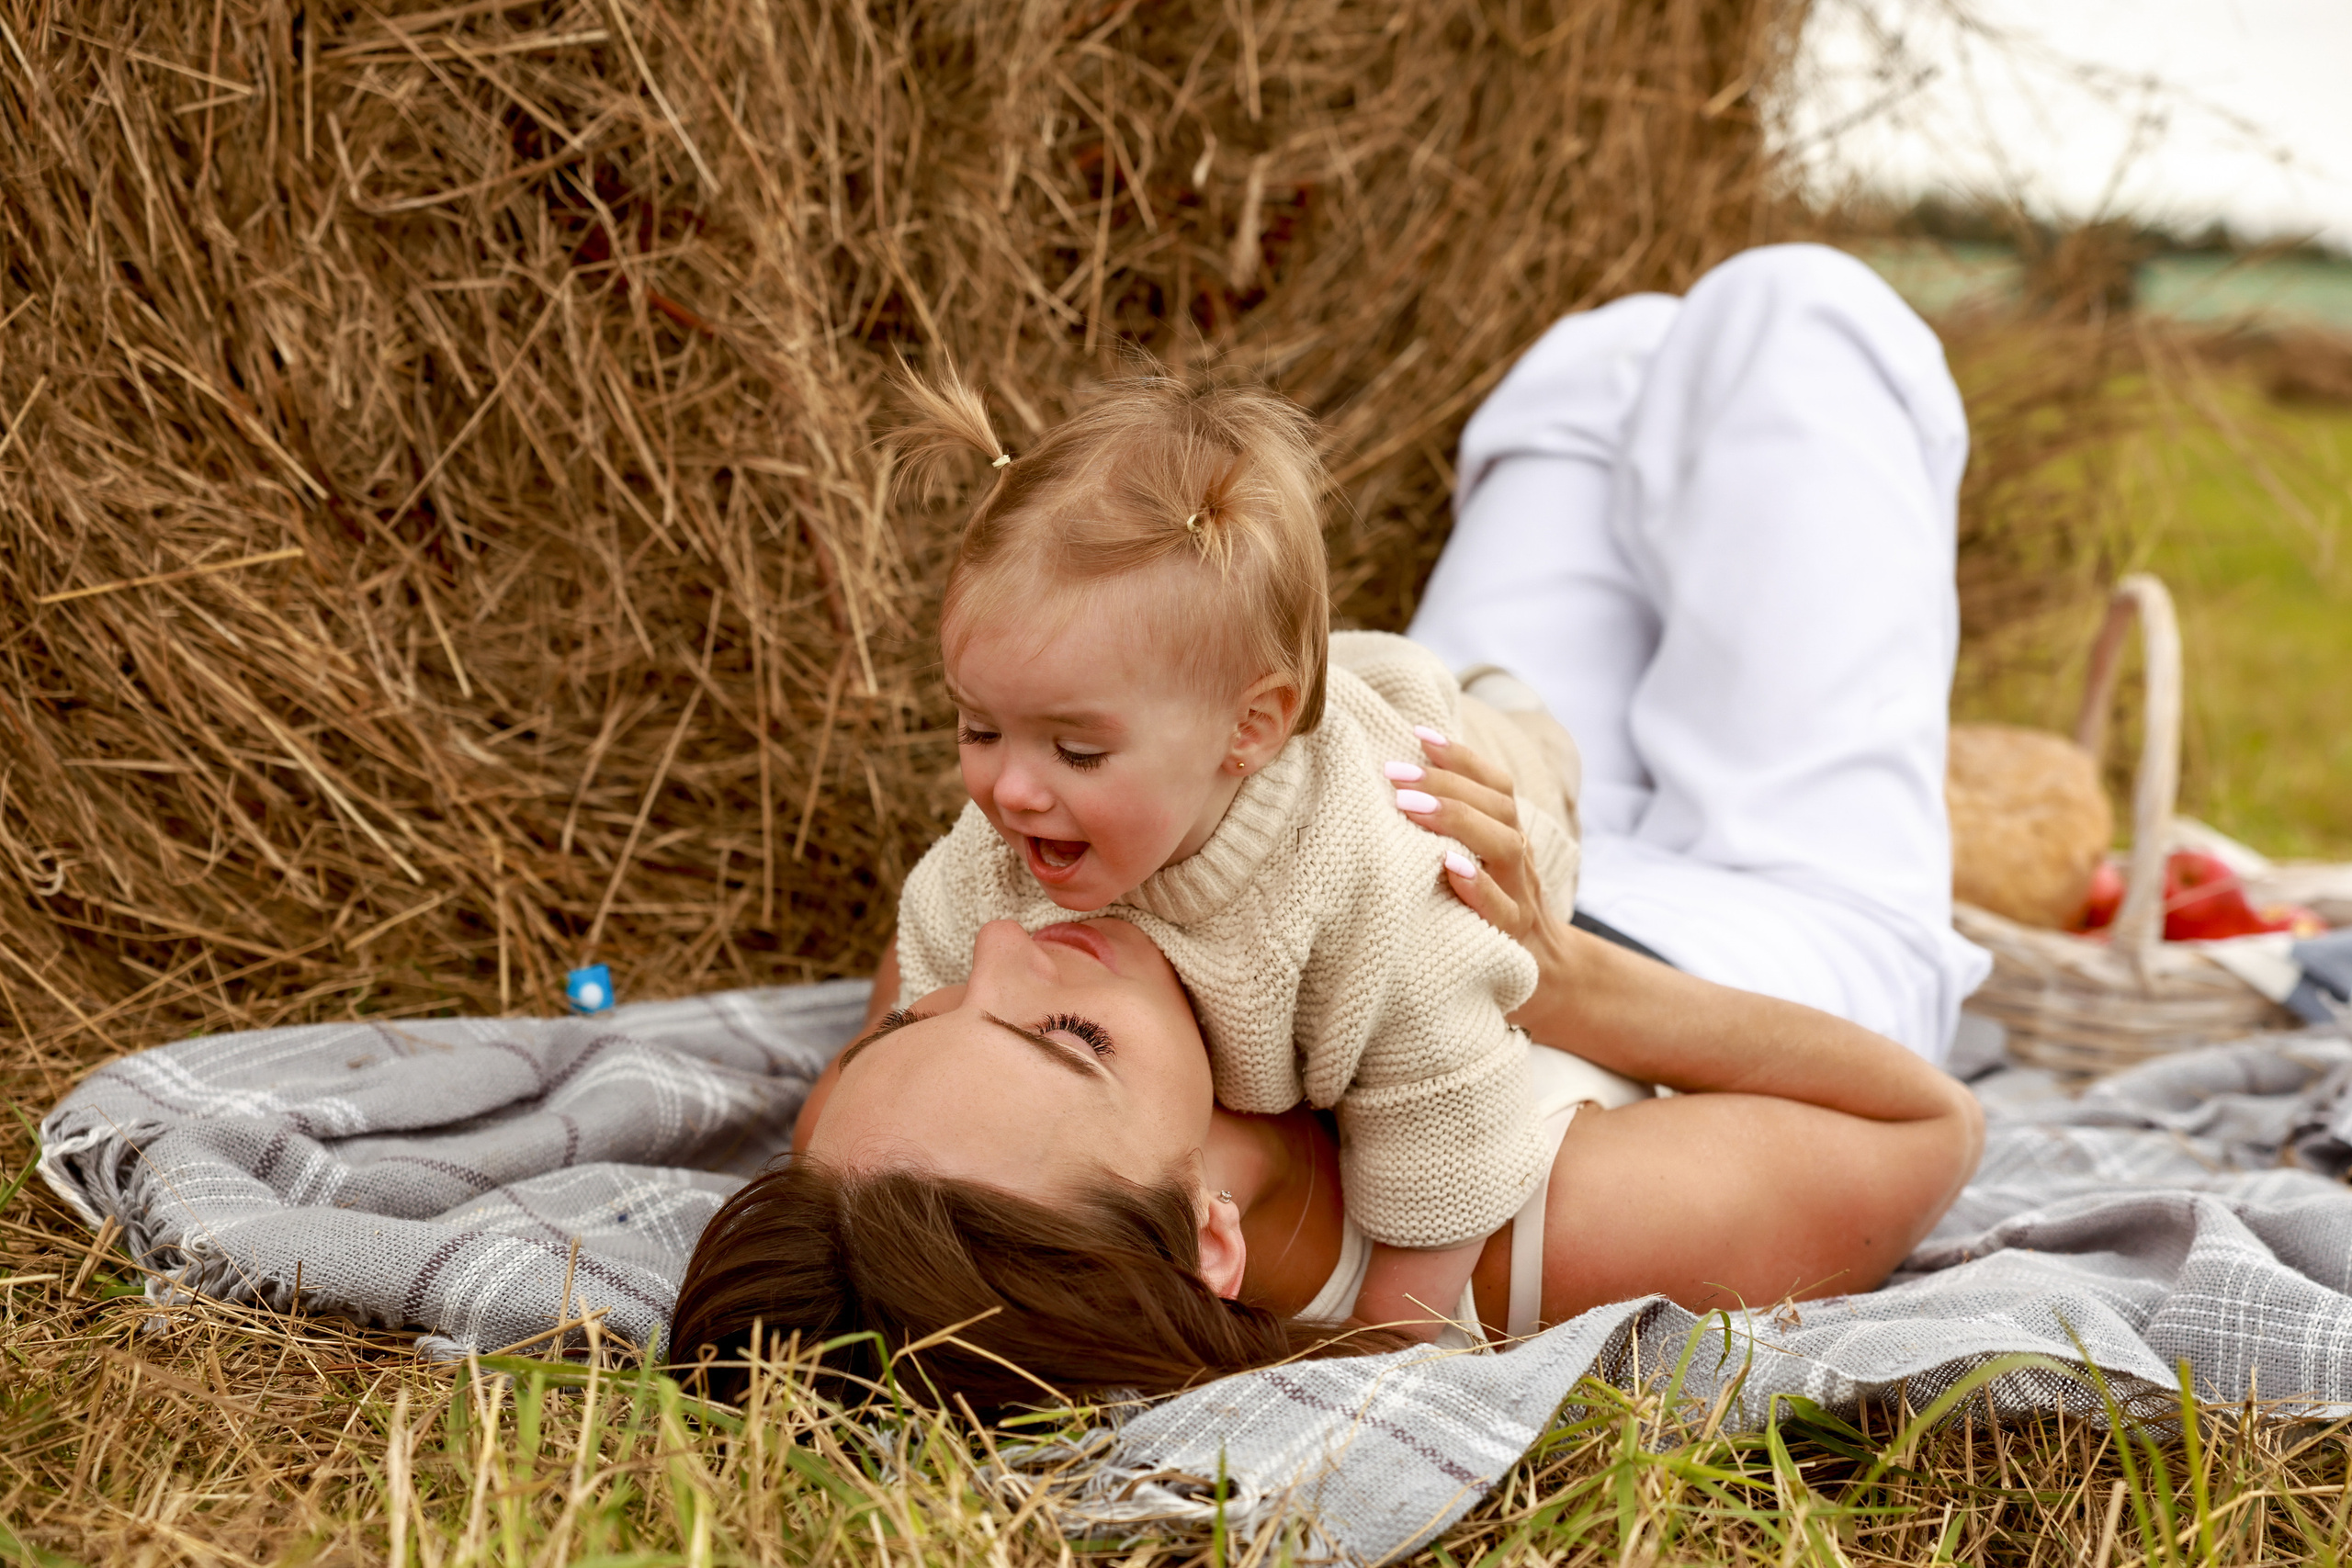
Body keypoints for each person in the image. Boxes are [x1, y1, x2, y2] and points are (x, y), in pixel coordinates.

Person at [667, 243, 1989, 1410]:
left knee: (1582, 385)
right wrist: (1565, 980)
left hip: (1381, 793)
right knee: (1787, 310)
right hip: (1730, 944)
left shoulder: (918, 1159)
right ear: (1209, 1235)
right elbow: (1928, 1125)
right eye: (1067, 1038)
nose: (1016, 944)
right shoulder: (1532, 1234)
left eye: (924, 1014)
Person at [882, 367, 1597, 1339]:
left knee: (1543, 726)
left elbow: (1448, 1111)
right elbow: (908, 1042)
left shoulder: (1373, 881)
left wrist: (1389, 1341)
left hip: (1486, 761)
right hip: (1308, 690)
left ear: (1247, 730)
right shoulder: (994, 855)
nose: (1008, 789)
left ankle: (1511, 692)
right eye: (977, 729)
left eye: (1076, 749)